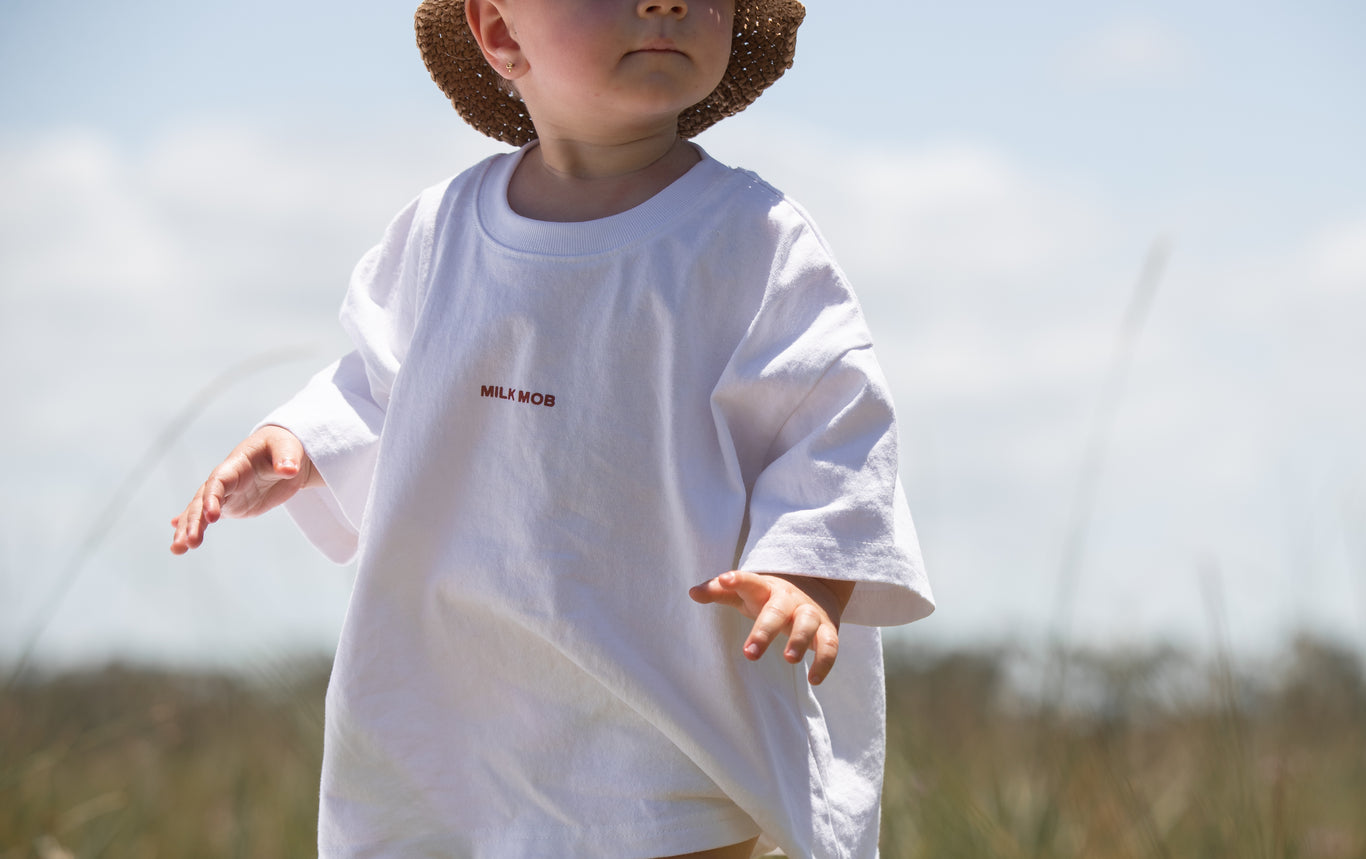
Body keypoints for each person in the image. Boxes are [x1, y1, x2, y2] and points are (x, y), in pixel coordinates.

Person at [169, 0, 933, 856]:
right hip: (460, 696)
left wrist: (807, 571)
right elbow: (381, 380)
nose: (668, 3)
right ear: (499, 33)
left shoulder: (751, 239)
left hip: (668, 692)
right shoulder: (441, 231)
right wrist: (304, 440)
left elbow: (831, 418)